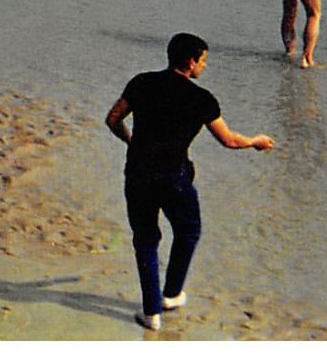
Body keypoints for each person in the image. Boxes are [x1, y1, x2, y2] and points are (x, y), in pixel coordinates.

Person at [105, 32, 275, 331]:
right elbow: (230, 141)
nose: (205, 67)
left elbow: (113, 119)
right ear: (190, 61)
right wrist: (256, 141)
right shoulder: (202, 99)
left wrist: (132, 142)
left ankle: (151, 314)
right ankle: (171, 294)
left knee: (145, 240)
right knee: (189, 230)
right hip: (175, 177)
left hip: (138, 173)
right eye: (203, 60)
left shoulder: (141, 82)